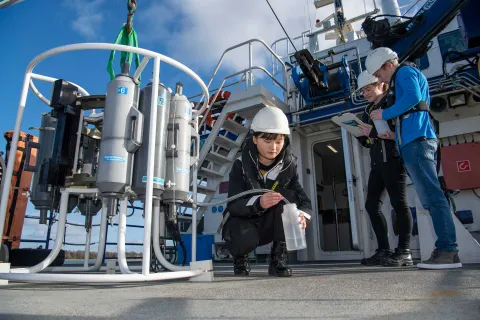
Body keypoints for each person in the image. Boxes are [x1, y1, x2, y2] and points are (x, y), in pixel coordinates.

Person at [366, 47, 462, 269]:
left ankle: (448, 250)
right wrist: (393, 136)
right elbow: (412, 108)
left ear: (388, 65)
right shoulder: (404, 75)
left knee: (432, 197)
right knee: (430, 197)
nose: (380, 80)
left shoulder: (404, 73)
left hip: (417, 142)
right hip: (412, 142)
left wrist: (384, 114)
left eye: (379, 75)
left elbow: (413, 98)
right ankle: (446, 248)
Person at [222, 106, 312, 277]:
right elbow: (233, 205)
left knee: (290, 198)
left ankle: (279, 258)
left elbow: (304, 200)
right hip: (244, 222)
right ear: (255, 139)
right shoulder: (240, 165)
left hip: (269, 223)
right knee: (243, 239)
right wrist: (259, 202)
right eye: (267, 141)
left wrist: (302, 215)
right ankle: (240, 257)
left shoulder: (289, 165)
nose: (274, 147)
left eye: (279, 141)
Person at [355, 70, 413, 267]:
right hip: (377, 163)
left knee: (399, 205)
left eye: (368, 89)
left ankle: (404, 251)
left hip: (393, 160)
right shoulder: (367, 110)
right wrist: (360, 134)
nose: (365, 94)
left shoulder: (391, 102)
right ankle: (384, 250)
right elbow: (369, 142)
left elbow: (395, 131)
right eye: (362, 91)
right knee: (371, 205)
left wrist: (373, 132)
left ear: (380, 85)